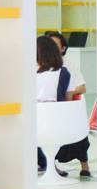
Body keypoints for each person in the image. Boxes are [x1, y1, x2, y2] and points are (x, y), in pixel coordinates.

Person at [35, 35, 92, 178]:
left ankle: (48, 165)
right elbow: (67, 102)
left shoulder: (31, 74)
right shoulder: (63, 73)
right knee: (77, 122)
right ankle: (83, 165)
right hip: (59, 126)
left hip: (36, 127)